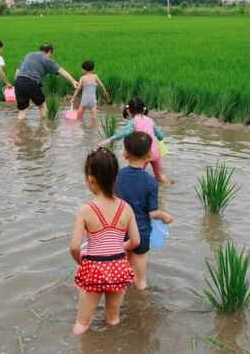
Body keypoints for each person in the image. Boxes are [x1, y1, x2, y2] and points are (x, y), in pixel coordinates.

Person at [69, 147, 140, 335]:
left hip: (94, 268)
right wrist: (119, 248)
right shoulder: (126, 208)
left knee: (82, 323)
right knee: (113, 319)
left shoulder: (86, 210)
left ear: (90, 179)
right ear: (115, 177)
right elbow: (135, 241)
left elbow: (75, 247)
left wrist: (82, 262)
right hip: (118, 267)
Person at [115, 132, 173, 290]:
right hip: (140, 233)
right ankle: (141, 301)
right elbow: (152, 213)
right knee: (140, 282)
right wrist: (164, 216)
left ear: (125, 153)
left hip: (121, 231)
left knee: (124, 274)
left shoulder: (118, 176)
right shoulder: (150, 182)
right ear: (149, 155)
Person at [100, 97, 170, 183]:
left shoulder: (133, 122)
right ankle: (168, 188)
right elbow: (160, 136)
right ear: (144, 109)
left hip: (143, 152)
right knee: (159, 175)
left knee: (136, 175)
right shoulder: (150, 120)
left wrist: (110, 139)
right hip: (155, 152)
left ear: (129, 111)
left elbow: (124, 132)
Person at [14, 43, 78, 120]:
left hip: (19, 82)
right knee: (42, 107)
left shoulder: (29, 55)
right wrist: (73, 81)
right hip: (31, 82)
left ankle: (21, 129)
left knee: (22, 110)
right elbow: (61, 71)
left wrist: (16, 84)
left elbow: (18, 70)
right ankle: (43, 129)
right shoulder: (46, 59)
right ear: (49, 51)